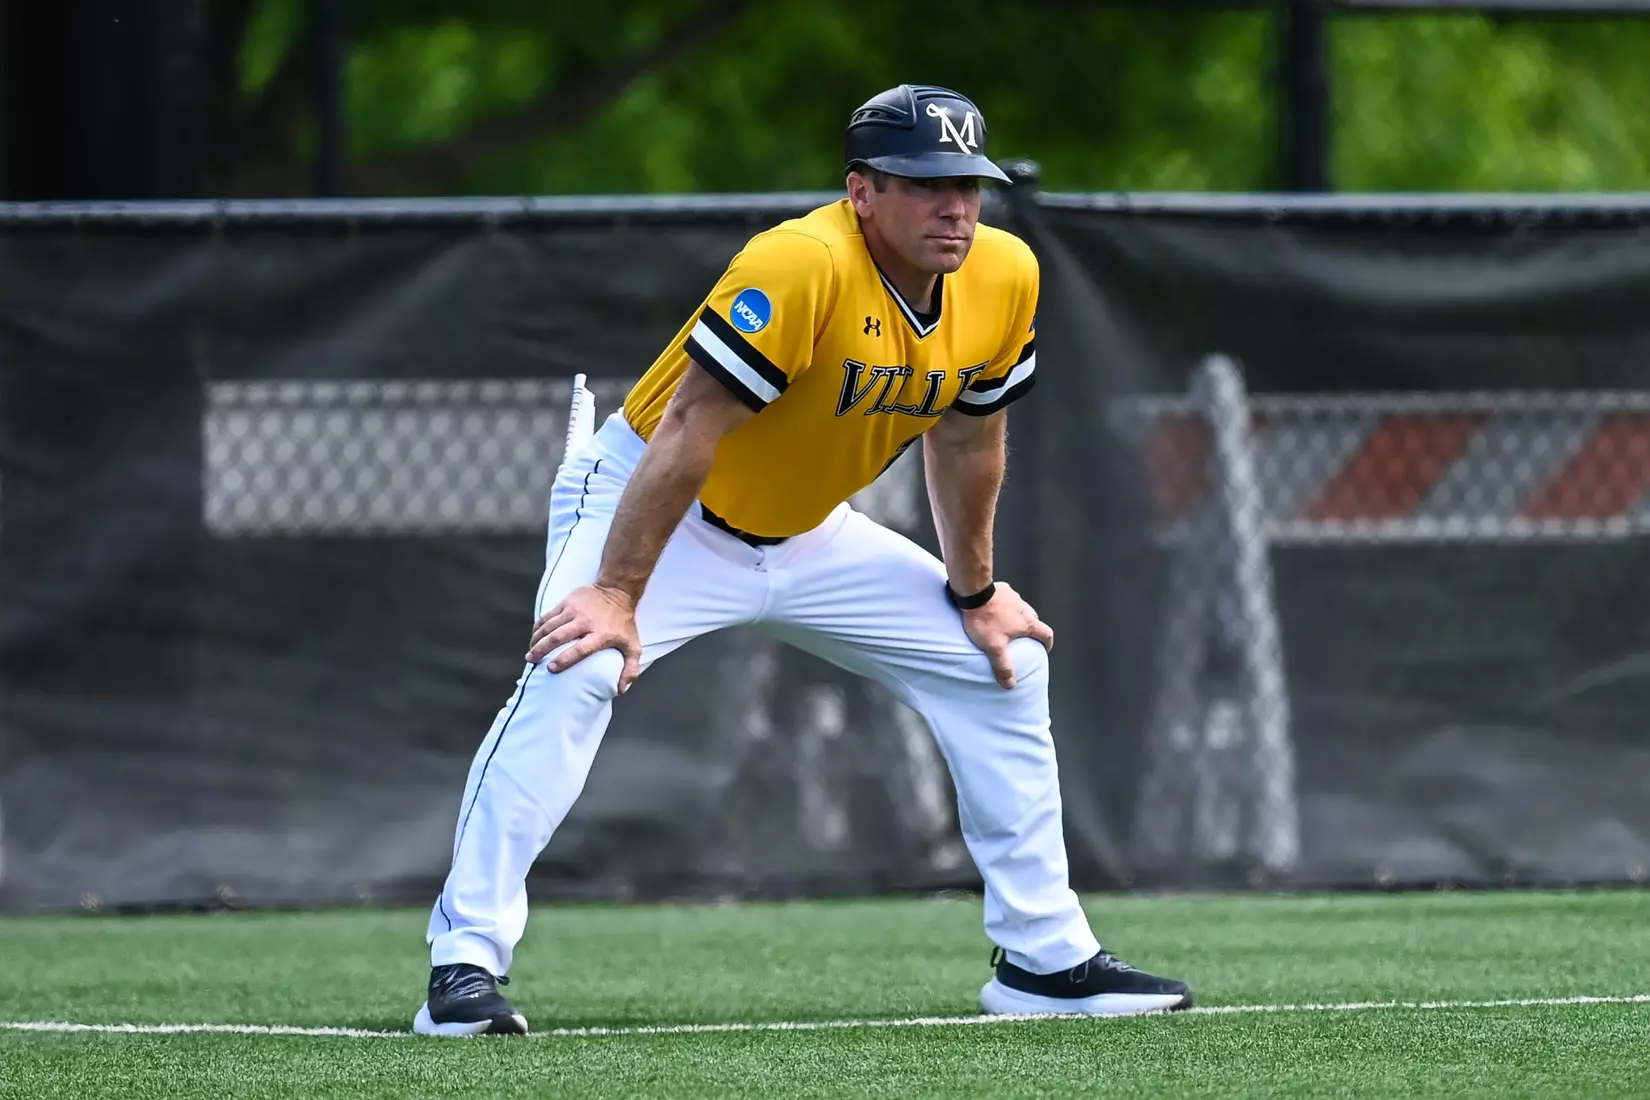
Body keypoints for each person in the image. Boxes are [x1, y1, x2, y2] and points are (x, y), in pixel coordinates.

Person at [413, 83, 1192, 1037]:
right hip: (658, 505)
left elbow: (966, 442)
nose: (955, 207)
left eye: (969, 185)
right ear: (863, 190)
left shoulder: (1005, 274)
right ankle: (463, 965)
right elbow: (690, 430)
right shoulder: (801, 263)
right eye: (925, 183)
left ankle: (1044, 958)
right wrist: (617, 595)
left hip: (813, 532)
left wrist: (975, 589)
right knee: (577, 667)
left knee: (1007, 663)